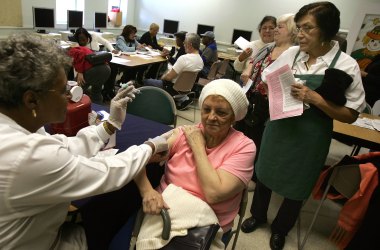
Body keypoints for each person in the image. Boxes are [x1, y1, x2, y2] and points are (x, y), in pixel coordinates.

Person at [0, 33, 169, 249]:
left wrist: (110, 124)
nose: (71, 95)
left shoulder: (18, 126)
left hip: (36, 233)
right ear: (32, 99)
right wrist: (151, 146)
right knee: (108, 212)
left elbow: (65, 147)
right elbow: (107, 173)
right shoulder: (21, 155)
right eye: (63, 90)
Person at [241, 2, 366, 250]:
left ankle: (280, 229)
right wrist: (271, 87)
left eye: (308, 28)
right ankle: (257, 215)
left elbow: (351, 115)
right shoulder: (292, 54)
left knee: (298, 183)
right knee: (265, 173)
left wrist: (316, 98)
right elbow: (268, 78)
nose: (300, 34)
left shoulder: (345, 64)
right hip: (278, 128)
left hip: (311, 136)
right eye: (299, 28)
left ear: (327, 30)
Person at [133, 79, 255, 246]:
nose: (211, 117)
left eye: (221, 112)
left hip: (207, 227)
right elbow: (139, 155)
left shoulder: (244, 147)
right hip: (165, 212)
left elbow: (213, 194)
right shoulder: (184, 133)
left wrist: (197, 146)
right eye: (206, 110)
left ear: (234, 116)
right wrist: (147, 191)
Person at [143, 33, 203, 100]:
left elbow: (168, 77)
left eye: (185, 42)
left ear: (190, 45)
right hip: (186, 90)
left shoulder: (184, 58)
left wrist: (162, 77)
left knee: (145, 81)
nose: (183, 44)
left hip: (171, 88)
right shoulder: (200, 61)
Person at [70, 28, 112, 103]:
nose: (82, 42)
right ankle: (97, 109)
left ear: (88, 36)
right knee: (96, 91)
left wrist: (79, 73)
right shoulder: (79, 46)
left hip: (95, 70)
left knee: (74, 92)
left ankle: (78, 109)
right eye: (80, 40)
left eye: (84, 39)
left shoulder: (75, 49)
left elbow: (78, 61)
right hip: (106, 68)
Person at [104, 24, 146, 97]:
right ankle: (119, 86)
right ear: (127, 33)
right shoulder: (121, 38)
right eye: (132, 33)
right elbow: (125, 49)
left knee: (137, 67)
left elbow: (139, 46)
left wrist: (143, 47)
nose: (134, 35)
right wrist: (137, 48)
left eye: (134, 33)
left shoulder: (133, 40)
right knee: (130, 69)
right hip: (117, 62)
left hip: (128, 61)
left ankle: (125, 83)